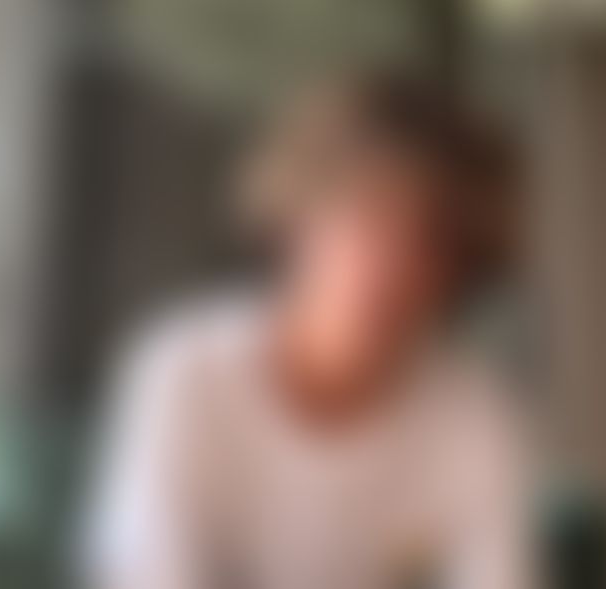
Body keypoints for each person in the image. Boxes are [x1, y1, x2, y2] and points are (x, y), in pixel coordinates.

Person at [80, 70, 536, 589]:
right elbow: (148, 569)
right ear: (300, 216)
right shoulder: (187, 371)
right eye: (367, 218)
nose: (390, 266)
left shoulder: (471, 416)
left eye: (428, 243)